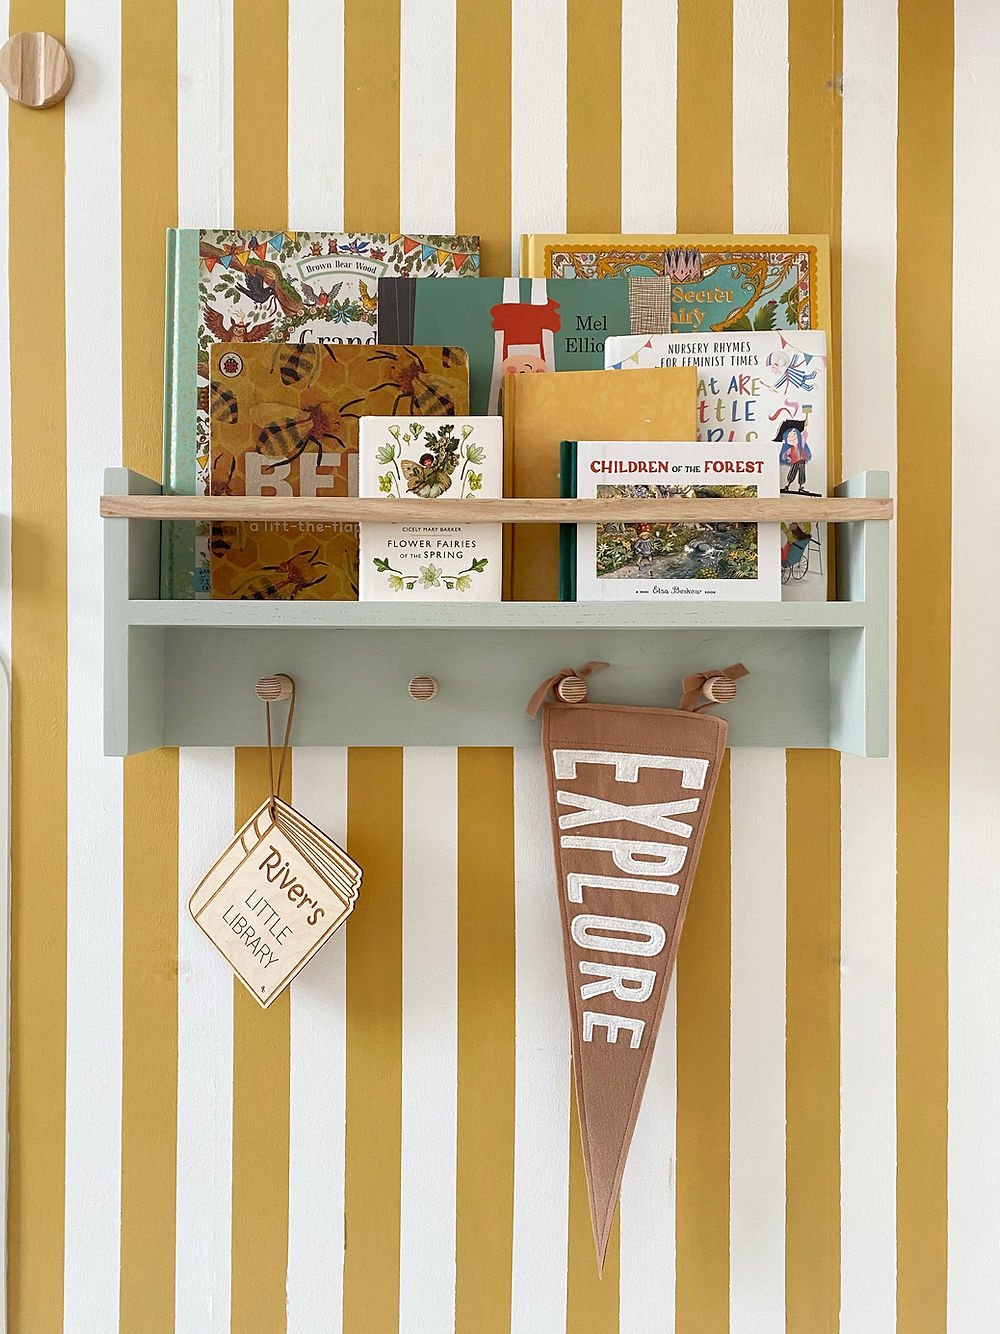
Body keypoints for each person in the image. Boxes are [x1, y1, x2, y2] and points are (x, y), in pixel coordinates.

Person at [774, 419, 811, 492]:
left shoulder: (801, 444)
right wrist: (786, 456)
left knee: (802, 474)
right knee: (792, 473)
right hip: (795, 461)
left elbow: (804, 434)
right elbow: (786, 454)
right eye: (789, 436)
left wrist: (805, 426)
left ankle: (800, 487)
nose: (792, 437)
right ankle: (787, 486)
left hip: (801, 461)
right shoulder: (790, 448)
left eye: (794, 434)